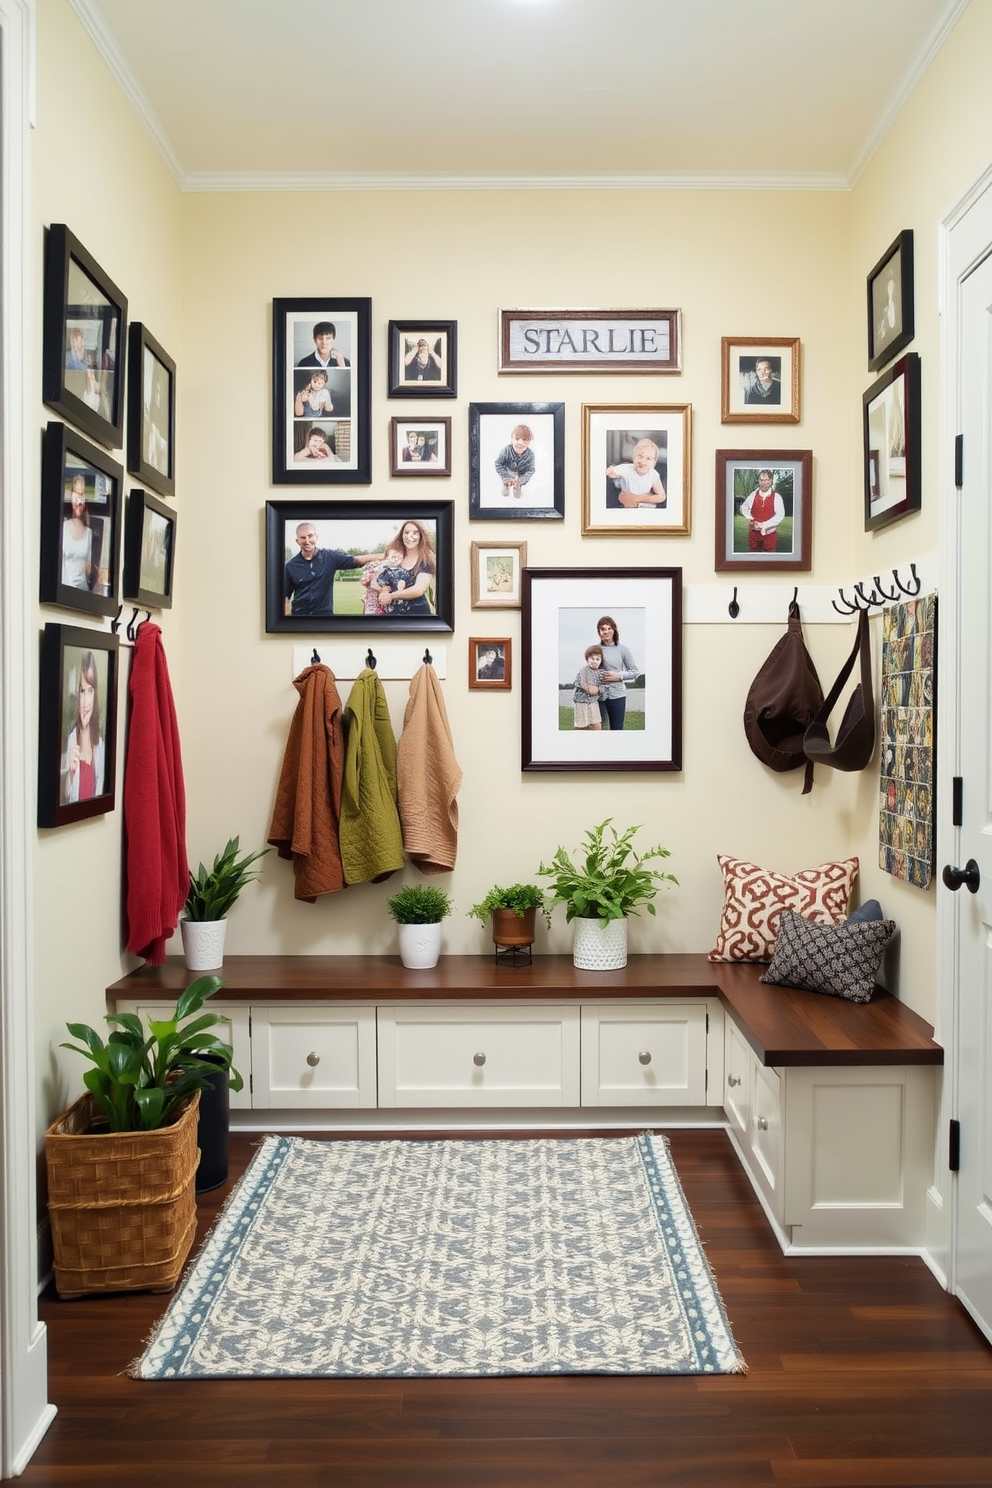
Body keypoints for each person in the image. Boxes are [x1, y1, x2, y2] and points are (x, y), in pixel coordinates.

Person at [284, 523, 381, 616]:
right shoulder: (290, 566)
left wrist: (382, 556)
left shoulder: (330, 557)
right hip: (300, 617)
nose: (307, 540)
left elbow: (356, 560)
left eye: (310, 536)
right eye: (303, 537)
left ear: (316, 537)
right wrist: (288, 622)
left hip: (325, 616)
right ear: (297, 541)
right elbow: (285, 597)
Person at [63, 651, 104, 803]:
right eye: (82, 691)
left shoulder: (100, 745)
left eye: (90, 691)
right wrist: (72, 773)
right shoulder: (70, 741)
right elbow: (64, 798)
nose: (86, 702)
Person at [377, 519, 436, 617]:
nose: (410, 536)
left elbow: (419, 589)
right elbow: (382, 578)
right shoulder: (395, 556)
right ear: (401, 535)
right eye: (406, 532)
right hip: (392, 614)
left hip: (418, 616)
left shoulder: (426, 560)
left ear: (421, 536)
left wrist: (391, 596)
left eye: (415, 533)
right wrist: (383, 590)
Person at [595, 616, 639, 732]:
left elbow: (635, 672)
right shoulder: (595, 650)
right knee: (599, 731)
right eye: (603, 629)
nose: (606, 631)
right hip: (598, 697)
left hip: (618, 696)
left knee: (617, 730)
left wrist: (618, 676)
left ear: (614, 630)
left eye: (609, 628)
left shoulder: (623, 649)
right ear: (599, 632)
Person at [605, 437, 667, 509]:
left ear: (654, 462)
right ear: (634, 457)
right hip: (626, 504)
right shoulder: (627, 468)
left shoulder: (654, 475)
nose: (643, 461)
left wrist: (638, 498)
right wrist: (611, 472)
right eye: (640, 456)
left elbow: (661, 496)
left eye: (648, 458)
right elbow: (611, 470)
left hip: (644, 504)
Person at [740, 469, 785, 552]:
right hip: (754, 535)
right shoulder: (753, 495)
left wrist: (763, 525)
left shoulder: (777, 497)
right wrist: (751, 519)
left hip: (769, 535)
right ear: (759, 481)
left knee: (769, 561)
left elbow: (780, 515)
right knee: (753, 560)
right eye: (761, 480)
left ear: (771, 481)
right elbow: (743, 507)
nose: (763, 483)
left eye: (766, 480)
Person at [61, 475, 93, 590]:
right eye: (76, 494)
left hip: (82, 593)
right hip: (64, 590)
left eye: (82, 494)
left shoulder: (89, 533)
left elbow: (88, 568)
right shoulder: (63, 528)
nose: (79, 500)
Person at [494, 424, 535, 497]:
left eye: (524, 440)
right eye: (517, 439)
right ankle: (506, 484)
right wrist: (506, 477)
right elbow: (498, 464)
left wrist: (521, 480)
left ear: (529, 441)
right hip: (509, 469)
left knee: (518, 489)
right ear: (512, 440)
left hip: (522, 472)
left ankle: (517, 487)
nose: (520, 443)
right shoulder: (506, 450)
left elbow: (530, 470)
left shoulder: (530, 455)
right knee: (507, 484)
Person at [573, 645, 603, 730]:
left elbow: (603, 687)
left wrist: (599, 690)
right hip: (581, 702)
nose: (595, 661)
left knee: (597, 725)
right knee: (582, 726)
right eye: (592, 658)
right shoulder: (584, 670)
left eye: (597, 659)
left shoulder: (600, 672)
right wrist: (593, 689)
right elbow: (584, 685)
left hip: (593, 702)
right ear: (587, 659)